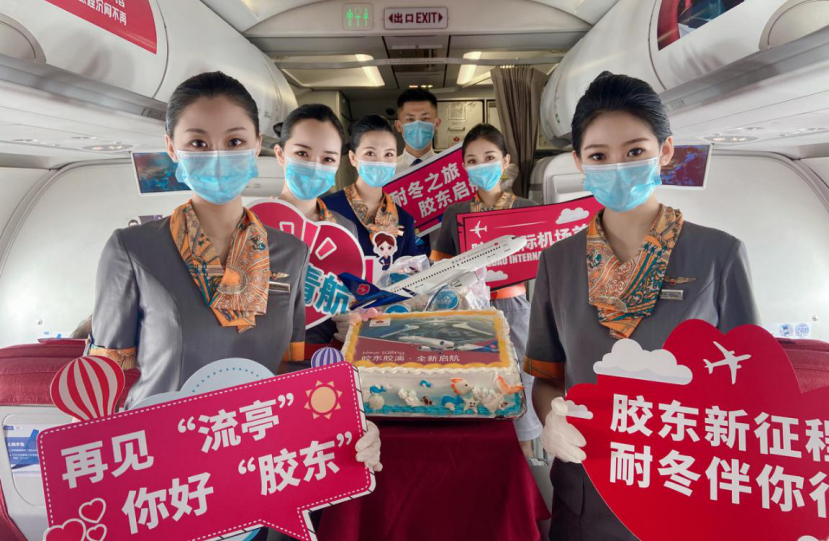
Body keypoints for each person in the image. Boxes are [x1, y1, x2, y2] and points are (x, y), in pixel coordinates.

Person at [89, 71, 382, 469]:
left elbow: (293, 368)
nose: (217, 156)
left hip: (261, 456)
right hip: (165, 461)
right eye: (198, 143)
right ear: (171, 148)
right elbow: (106, 381)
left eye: (234, 142)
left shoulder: (290, 253)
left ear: (257, 145)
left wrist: (346, 423)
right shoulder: (131, 250)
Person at [525, 72, 759, 540]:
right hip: (588, 486)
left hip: (686, 482)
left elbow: (750, 385)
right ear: (579, 162)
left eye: (634, 151)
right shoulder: (558, 261)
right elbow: (548, 376)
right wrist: (552, 417)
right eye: (599, 156)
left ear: (665, 151)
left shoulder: (719, 255)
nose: (618, 167)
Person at [431, 123, 543, 455]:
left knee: (520, 380)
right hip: (469, 310)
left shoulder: (527, 209)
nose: (481, 165)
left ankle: (523, 459)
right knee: (473, 382)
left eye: (489, 157)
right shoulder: (455, 213)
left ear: (505, 160)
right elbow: (439, 269)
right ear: (464, 167)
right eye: (473, 160)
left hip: (515, 308)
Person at [273, 103, 359, 354]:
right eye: (302, 153)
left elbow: (350, 298)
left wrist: (352, 321)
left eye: (327, 159)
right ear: (280, 154)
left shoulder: (344, 229)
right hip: (266, 359)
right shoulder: (253, 223)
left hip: (327, 356)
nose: (314, 165)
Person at [322, 114, 428, 266]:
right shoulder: (326, 208)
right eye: (370, 153)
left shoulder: (404, 220)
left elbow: (410, 275)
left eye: (388, 154)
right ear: (353, 158)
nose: (380, 161)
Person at [394, 88, 442, 174]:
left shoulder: (450, 168)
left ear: (437, 124)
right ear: (398, 126)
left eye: (425, 118)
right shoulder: (387, 172)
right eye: (410, 119)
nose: (418, 124)